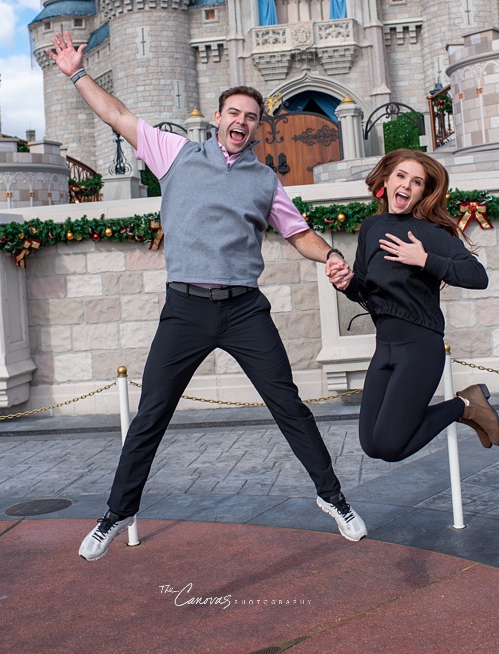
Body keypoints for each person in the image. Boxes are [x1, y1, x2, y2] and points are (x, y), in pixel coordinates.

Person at [47, 31, 367, 561]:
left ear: (259, 126)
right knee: (152, 412)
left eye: (251, 116)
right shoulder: (175, 153)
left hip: (244, 308)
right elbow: (120, 116)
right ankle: (116, 513)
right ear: (218, 117)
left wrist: (331, 255)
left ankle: (333, 498)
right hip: (187, 308)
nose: (241, 122)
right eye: (233, 113)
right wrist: (77, 73)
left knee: (288, 404)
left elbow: (298, 233)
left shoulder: (266, 181)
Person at [326, 149, 499, 463]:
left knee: (392, 446)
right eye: (401, 176)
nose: (406, 185)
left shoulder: (428, 234)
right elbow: (364, 289)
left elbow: (478, 276)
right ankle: (465, 405)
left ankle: (464, 405)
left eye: (417, 181)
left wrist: (424, 260)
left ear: (424, 192)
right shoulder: (371, 227)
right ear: (387, 180)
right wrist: (346, 283)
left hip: (420, 345)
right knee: (372, 444)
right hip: (385, 347)